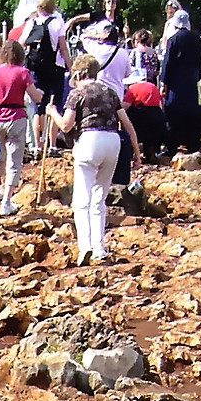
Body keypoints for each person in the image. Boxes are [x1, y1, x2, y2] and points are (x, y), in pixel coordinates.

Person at [57, 54, 141, 264]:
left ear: (79, 74)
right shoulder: (110, 92)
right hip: (113, 142)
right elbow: (127, 123)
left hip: (89, 140)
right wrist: (136, 153)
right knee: (99, 199)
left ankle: (85, 246)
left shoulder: (77, 93)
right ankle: (99, 248)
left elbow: (66, 125)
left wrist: (52, 114)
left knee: (81, 200)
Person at [0, 36, 35, 211]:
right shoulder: (22, 73)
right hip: (16, 117)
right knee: (14, 161)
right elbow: (34, 96)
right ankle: (6, 203)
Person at [159, 8, 201, 152]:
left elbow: (168, 62)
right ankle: (192, 145)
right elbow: (199, 61)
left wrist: (163, 82)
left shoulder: (174, 39)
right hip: (191, 80)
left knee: (173, 113)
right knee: (190, 112)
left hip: (176, 82)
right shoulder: (196, 39)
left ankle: (171, 146)